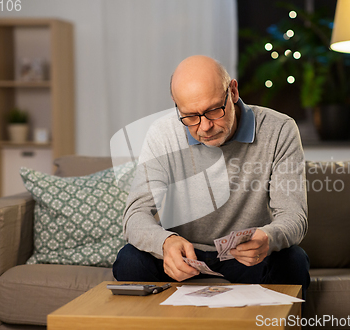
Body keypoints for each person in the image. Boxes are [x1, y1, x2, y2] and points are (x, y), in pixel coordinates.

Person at [113, 55, 310, 297]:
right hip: (185, 255)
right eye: (190, 117)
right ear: (176, 106)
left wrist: (268, 238)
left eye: (213, 110)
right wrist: (165, 243)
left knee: (293, 261)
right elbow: (135, 214)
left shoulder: (280, 129)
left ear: (233, 92)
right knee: (129, 261)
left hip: (246, 257)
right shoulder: (162, 134)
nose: (204, 127)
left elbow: (294, 216)